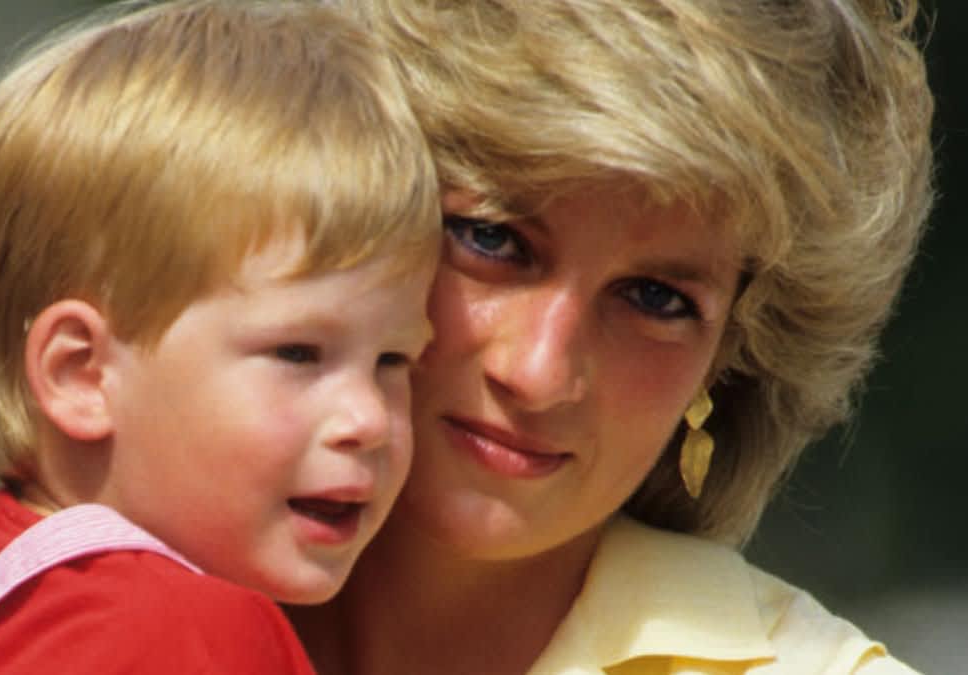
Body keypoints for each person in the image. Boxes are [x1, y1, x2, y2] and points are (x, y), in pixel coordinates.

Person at [287, 0, 934, 673]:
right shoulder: (173, 563)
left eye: (656, 298)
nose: (537, 371)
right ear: (357, 185)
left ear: (731, 359)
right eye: (491, 237)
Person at [0, 0, 440, 672]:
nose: (368, 419)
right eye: (298, 353)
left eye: (395, 359)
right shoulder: (185, 632)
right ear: (82, 373)